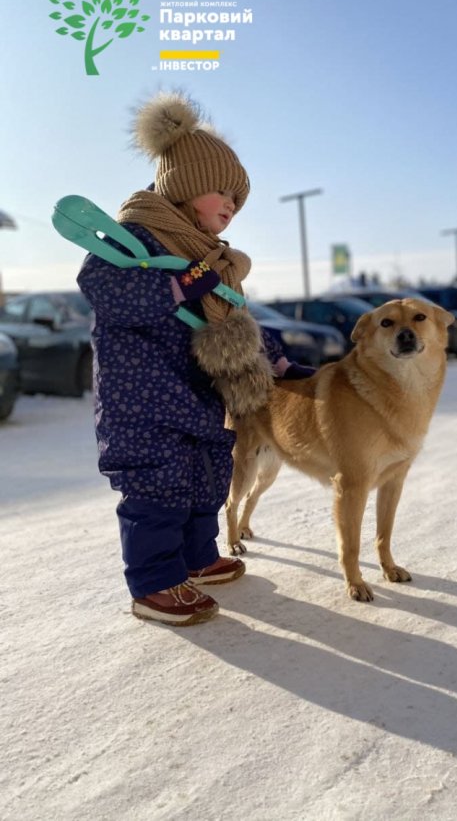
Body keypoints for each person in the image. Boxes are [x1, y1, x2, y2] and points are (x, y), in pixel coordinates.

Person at [78, 91, 313, 627]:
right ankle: (155, 585)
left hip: (198, 393)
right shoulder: (133, 238)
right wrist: (179, 286)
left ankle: (196, 560)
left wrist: (274, 363)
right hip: (142, 392)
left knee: (205, 475)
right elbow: (106, 291)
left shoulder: (210, 260)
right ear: (184, 184)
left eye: (239, 199)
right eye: (223, 192)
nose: (231, 205)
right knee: (158, 486)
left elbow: (231, 318)